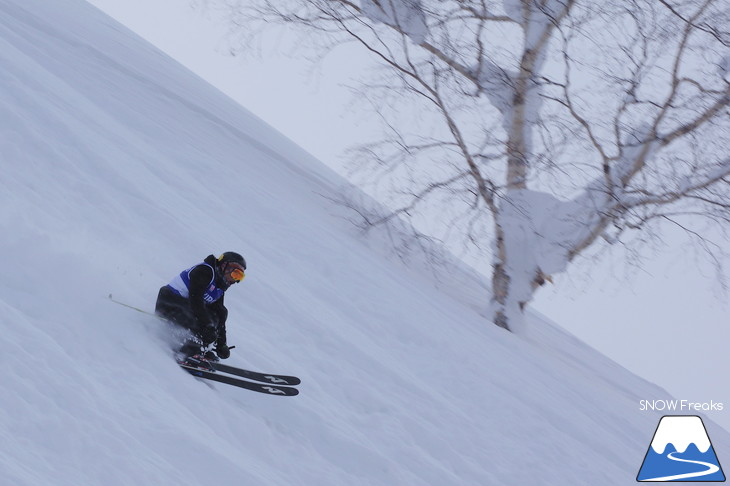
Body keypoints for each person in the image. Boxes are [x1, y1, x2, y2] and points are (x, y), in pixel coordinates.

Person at [156, 252, 246, 360]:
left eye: (240, 277)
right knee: (202, 322)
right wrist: (207, 326)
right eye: (235, 274)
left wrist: (221, 343)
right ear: (224, 266)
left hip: (185, 307)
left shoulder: (220, 286)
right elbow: (196, 300)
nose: (235, 279)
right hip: (168, 302)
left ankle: (201, 348)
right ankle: (188, 352)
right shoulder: (205, 271)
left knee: (218, 314)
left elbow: (219, 313)